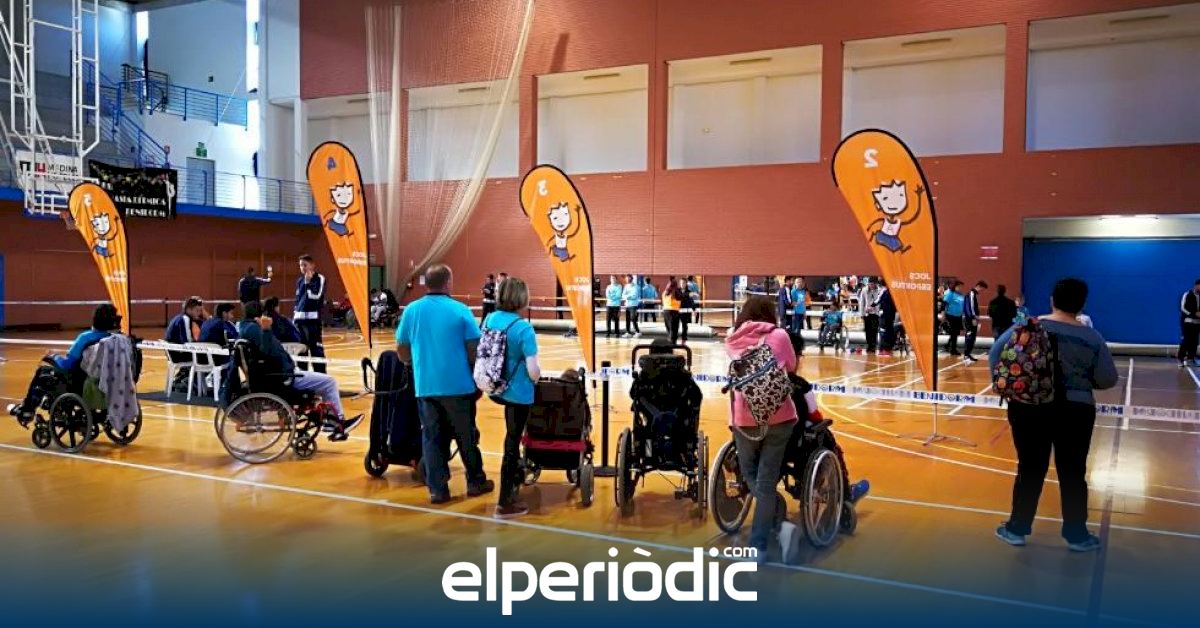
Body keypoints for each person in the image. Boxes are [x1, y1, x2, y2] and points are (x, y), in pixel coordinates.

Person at [990, 278, 1117, 552]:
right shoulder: (1092, 337)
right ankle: (1076, 534)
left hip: (1029, 408)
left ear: (1052, 300)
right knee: (1073, 472)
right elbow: (1108, 379)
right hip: (1076, 410)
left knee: (1029, 468)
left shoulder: (1027, 326)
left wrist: (1011, 385)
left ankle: (1016, 529)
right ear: (1082, 304)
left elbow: (996, 353)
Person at [395, 264, 493, 504]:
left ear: (427, 283)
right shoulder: (460, 310)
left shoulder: (411, 310)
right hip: (459, 386)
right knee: (466, 437)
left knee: (432, 438)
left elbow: (402, 349)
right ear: (448, 282)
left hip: (426, 386)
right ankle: (475, 481)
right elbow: (474, 349)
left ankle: (438, 490)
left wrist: (415, 363)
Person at [724, 295, 798, 560]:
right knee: (766, 482)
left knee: (750, 474)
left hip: (744, 418)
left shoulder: (732, 338)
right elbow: (791, 366)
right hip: (780, 416)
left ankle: (773, 513)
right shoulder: (779, 335)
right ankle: (760, 542)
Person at [237, 302, 362, 439]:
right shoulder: (256, 330)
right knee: (329, 382)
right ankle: (337, 423)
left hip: (278, 374)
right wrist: (266, 329)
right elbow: (267, 350)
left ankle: (331, 420)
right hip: (283, 377)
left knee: (320, 383)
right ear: (259, 315)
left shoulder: (244, 328)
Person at [483, 277, 542, 519]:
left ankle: (516, 477)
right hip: (518, 393)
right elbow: (533, 370)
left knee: (511, 437)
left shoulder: (489, 319)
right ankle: (504, 502)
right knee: (512, 442)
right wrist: (537, 378)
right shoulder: (523, 328)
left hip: (495, 388)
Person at [8, 304, 122, 426]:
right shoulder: (121, 340)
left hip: (81, 387)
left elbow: (67, 365)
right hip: (111, 386)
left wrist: (54, 356)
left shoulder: (86, 338)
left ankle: (27, 410)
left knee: (42, 372)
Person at [293, 254, 327, 373]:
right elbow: (298, 300)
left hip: (312, 323)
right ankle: (304, 377)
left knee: (316, 351)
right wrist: (294, 317)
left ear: (312, 265)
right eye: (300, 265)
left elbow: (316, 296)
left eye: (305, 265)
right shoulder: (299, 281)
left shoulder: (320, 279)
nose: (302, 268)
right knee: (301, 351)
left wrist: (308, 283)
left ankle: (321, 377)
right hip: (299, 322)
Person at [962, 280, 988, 362]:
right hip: (970, 320)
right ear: (979, 286)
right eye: (982, 289)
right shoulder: (971, 294)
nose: (982, 291)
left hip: (972, 319)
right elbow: (970, 307)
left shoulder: (973, 294)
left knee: (972, 337)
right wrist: (973, 318)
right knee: (970, 337)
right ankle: (966, 355)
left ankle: (968, 354)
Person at [1179, 279, 1200, 367]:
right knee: (1186, 341)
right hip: (1188, 321)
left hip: (1197, 323)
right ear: (1196, 285)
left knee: (1195, 342)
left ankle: (1191, 358)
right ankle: (1181, 359)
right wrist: (1193, 314)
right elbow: (1183, 308)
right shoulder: (1187, 294)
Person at [858, 277, 881, 353]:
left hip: (876, 314)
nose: (871, 285)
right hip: (867, 314)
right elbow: (861, 302)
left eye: (872, 284)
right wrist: (862, 313)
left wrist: (878, 310)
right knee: (868, 330)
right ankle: (869, 345)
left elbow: (880, 301)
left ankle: (873, 346)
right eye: (870, 284)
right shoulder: (864, 290)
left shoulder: (879, 290)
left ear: (876, 284)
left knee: (874, 330)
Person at [942, 281, 965, 356]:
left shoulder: (960, 295)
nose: (961, 288)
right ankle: (953, 350)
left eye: (961, 287)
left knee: (956, 333)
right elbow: (944, 304)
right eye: (959, 286)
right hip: (951, 316)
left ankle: (948, 345)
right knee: (954, 333)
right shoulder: (950, 294)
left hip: (958, 317)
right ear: (955, 286)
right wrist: (943, 315)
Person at [878, 281, 897, 356]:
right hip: (884, 316)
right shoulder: (884, 292)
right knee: (883, 332)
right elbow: (879, 302)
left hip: (890, 316)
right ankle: (883, 349)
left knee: (888, 332)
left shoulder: (891, 292)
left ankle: (887, 349)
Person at [662, 276, 682, 344]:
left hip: (666, 312)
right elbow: (682, 299)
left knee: (669, 330)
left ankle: (670, 343)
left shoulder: (664, 293)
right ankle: (673, 344)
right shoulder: (676, 292)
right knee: (674, 330)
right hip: (674, 312)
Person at [676, 277, 695, 344]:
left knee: (684, 325)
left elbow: (691, 301)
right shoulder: (677, 291)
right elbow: (678, 297)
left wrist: (694, 309)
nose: (682, 284)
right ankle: (675, 337)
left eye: (683, 283)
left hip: (685, 311)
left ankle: (684, 338)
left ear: (686, 283)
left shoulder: (689, 292)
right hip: (677, 311)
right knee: (676, 325)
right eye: (681, 283)